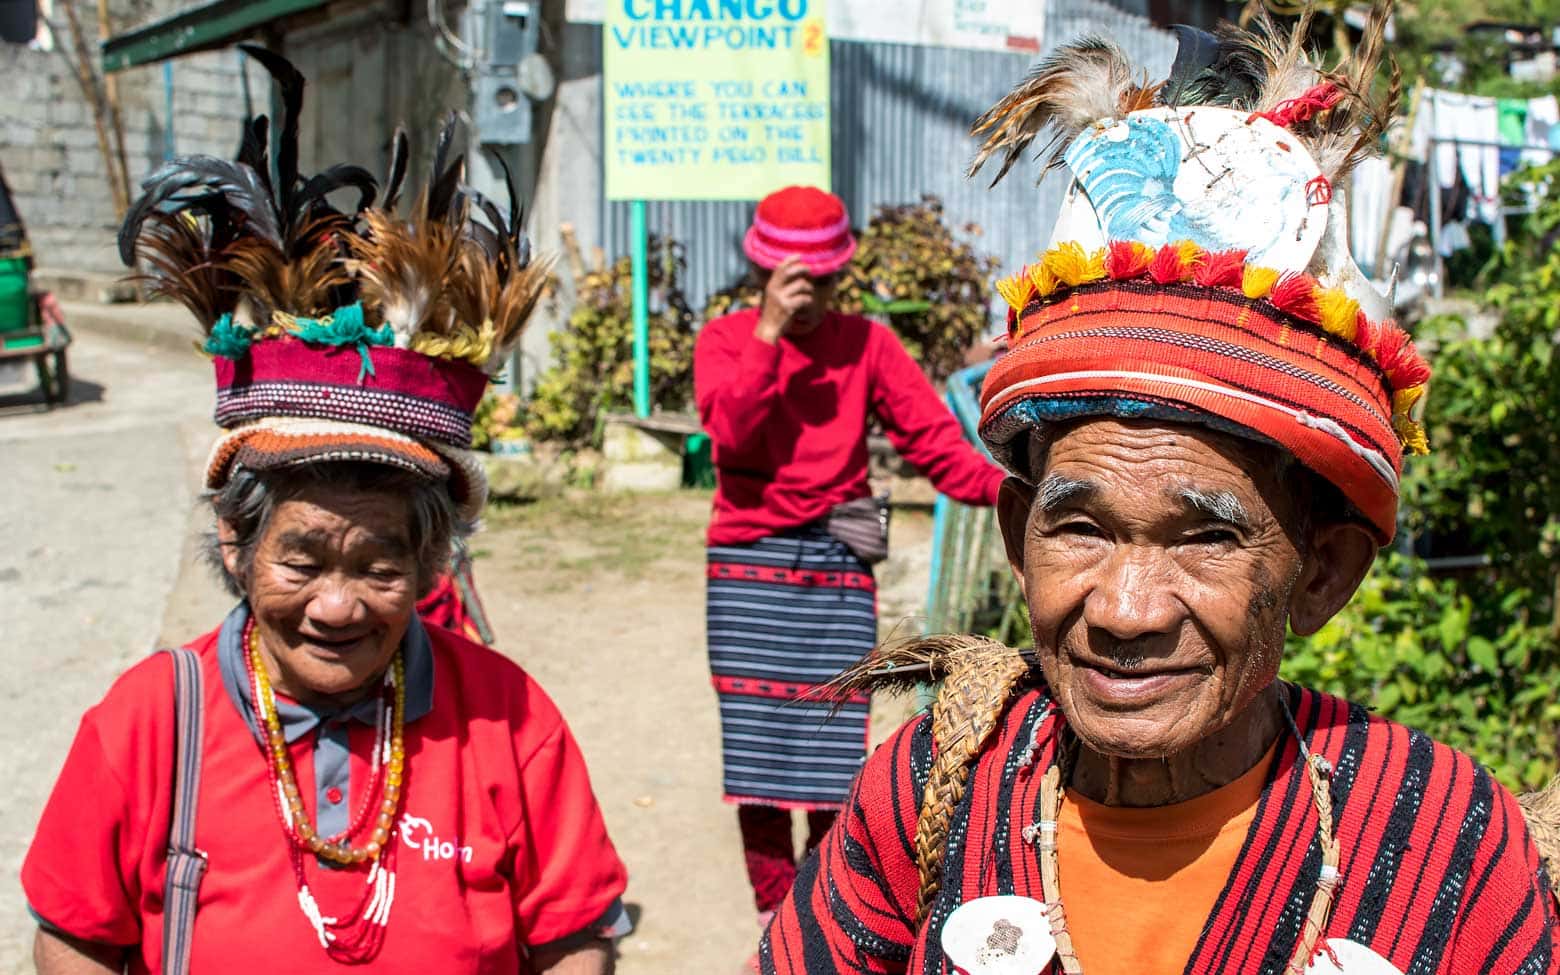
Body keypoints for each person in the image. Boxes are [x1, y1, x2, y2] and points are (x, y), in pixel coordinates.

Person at [761, 8, 1558, 974]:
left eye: (1204, 539)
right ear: (1019, 538)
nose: (1124, 611)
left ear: (1323, 574)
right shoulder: (936, 789)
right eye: (1081, 529)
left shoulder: (1441, 845)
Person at [23, 48, 628, 974]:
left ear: (434, 566)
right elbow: (72, 938)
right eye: (301, 559)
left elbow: (576, 936)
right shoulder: (147, 725)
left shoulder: (507, 719)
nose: (338, 606)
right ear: (235, 539)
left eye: (381, 565)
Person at [694, 186, 1007, 931]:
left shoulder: (868, 345)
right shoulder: (726, 339)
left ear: (841, 276)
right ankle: (775, 915)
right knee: (760, 763)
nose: (810, 296)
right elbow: (731, 441)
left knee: (836, 762)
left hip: (837, 568)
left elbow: (936, 447)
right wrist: (769, 334)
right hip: (747, 571)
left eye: (824, 281)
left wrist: (1016, 490)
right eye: (793, 281)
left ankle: (818, 906)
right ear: (762, 273)